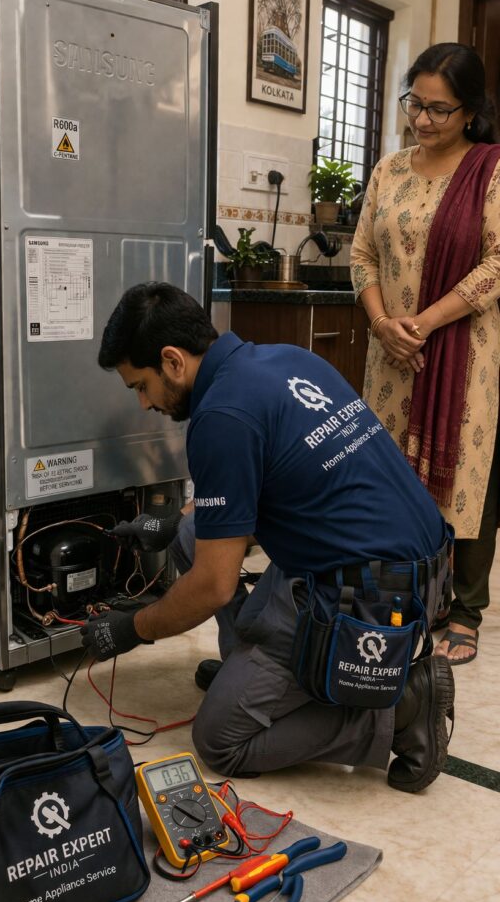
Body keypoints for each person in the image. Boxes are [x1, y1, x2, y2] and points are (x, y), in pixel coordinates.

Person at [80, 281, 455, 795]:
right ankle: (257, 673)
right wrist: (174, 524)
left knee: (220, 740)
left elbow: (213, 587)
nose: (144, 403)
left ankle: (402, 706)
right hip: (420, 563)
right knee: (193, 533)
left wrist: (132, 629)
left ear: (172, 361)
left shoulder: (218, 419)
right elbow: (283, 483)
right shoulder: (284, 360)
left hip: (368, 597)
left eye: (139, 386)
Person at [350, 43, 500, 666]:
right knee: (391, 469)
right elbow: (362, 256)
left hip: (465, 352)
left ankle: (464, 607)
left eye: (439, 109)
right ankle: (414, 590)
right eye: (416, 103)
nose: (423, 120)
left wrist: (427, 323)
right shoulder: (389, 170)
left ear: (470, 112)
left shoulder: (491, 170)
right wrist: (384, 324)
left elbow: (499, 261)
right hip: (391, 354)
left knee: (467, 470)